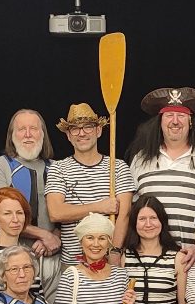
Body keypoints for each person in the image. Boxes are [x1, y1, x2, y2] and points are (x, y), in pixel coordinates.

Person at [128, 87, 195, 246]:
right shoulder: (140, 159)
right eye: (169, 115)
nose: (175, 121)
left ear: (190, 122)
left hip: (194, 255)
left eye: (181, 116)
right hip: (150, 255)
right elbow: (131, 208)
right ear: (160, 122)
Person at [46, 103, 134, 262]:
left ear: (98, 130)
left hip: (109, 261)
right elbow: (56, 213)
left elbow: (124, 214)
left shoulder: (118, 167)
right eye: (75, 129)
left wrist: (114, 251)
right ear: (68, 135)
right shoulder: (58, 169)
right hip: (72, 263)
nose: (81, 133)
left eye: (88, 127)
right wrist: (99, 207)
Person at [0, 109, 63, 271]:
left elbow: (65, 216)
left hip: (53, 257)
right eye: (21, 129)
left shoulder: (56, 167)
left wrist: (54, 237)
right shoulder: (1, 165)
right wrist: (43, 235)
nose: (28, 135)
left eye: (33, 129)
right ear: (12, 135)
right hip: (11, 259)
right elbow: (0, 215)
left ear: (43, 134)